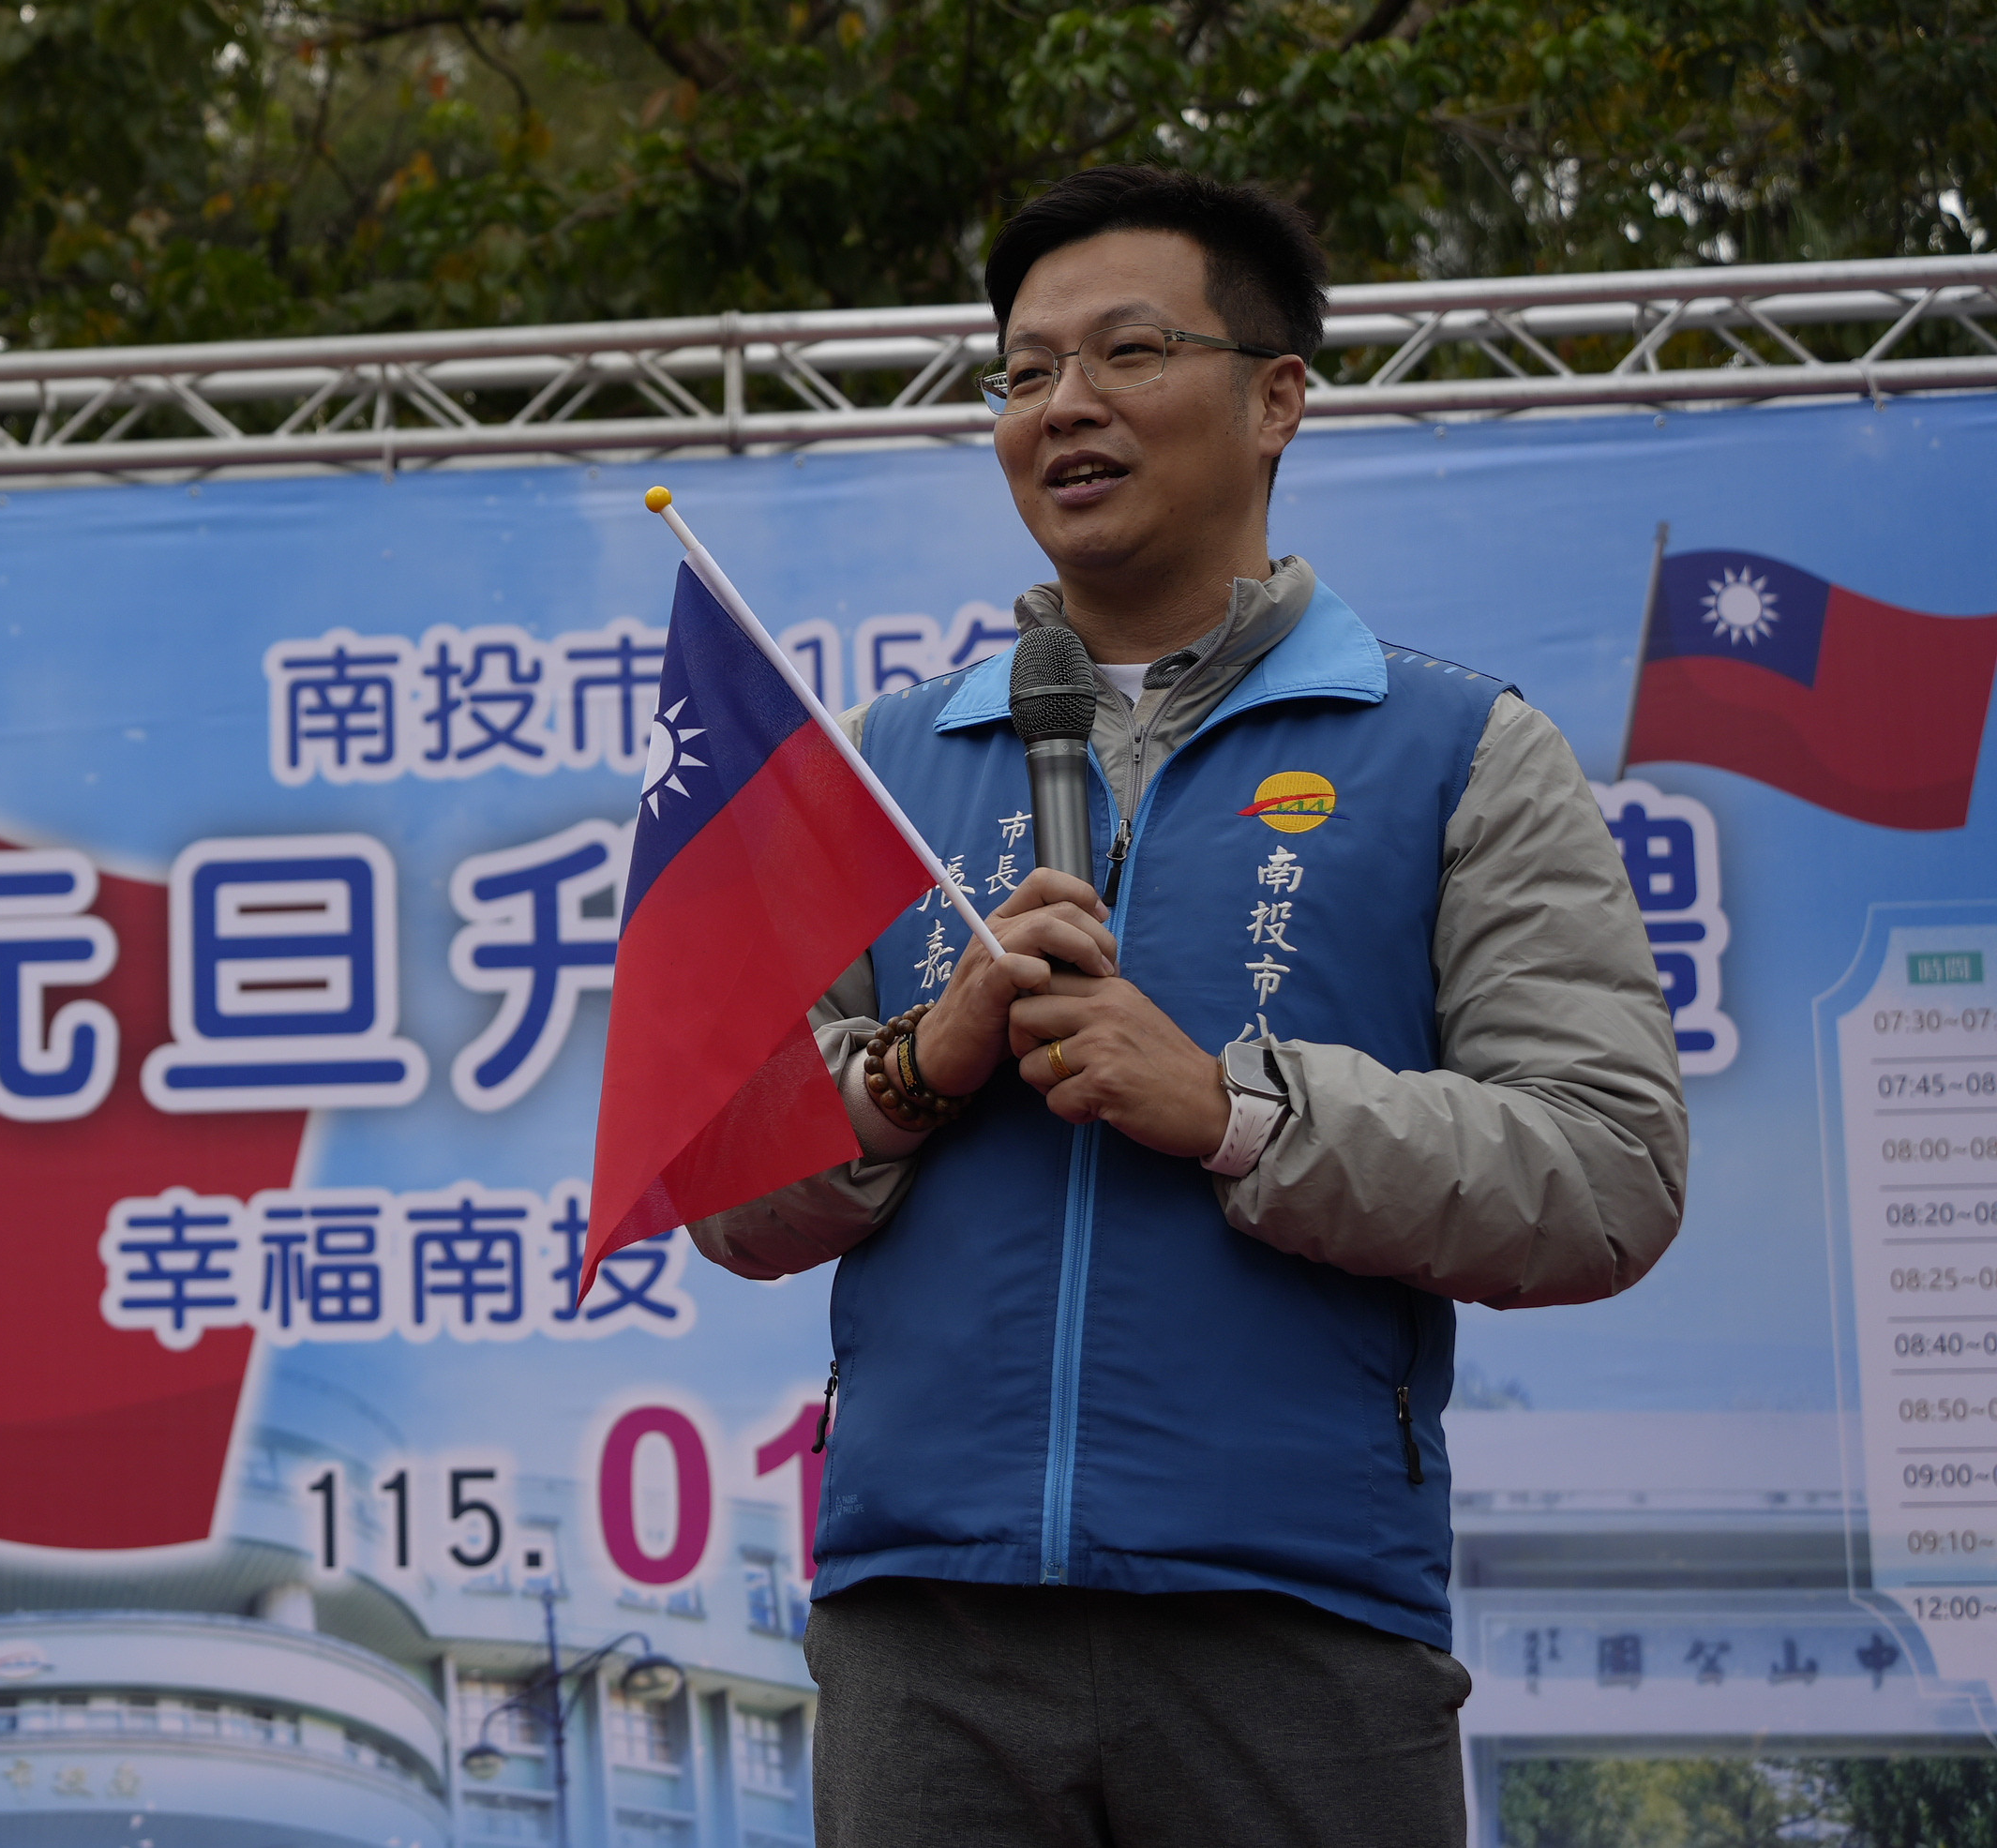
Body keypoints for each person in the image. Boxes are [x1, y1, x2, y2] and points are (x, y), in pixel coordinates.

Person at [690, 166, 1689, 1845]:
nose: (1063, 406)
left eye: (1129, 351)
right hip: (928, 1626)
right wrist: (924, 1063)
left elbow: (1607, 1174)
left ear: (1276, 397)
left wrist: (1238, 1113)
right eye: (1023, 372)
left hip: (1300, 1623)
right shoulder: (876, 768)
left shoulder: (1459, 751)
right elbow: (723, 1181)